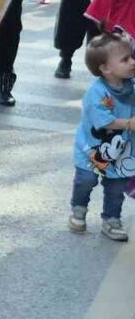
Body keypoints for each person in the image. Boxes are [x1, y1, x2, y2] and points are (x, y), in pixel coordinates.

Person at [69, 32, 135, 242]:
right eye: (125, 59)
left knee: (116, 187)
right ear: (106, 69)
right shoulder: (96, 92)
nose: (132, 62)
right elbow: (104, 121)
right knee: (86, 180)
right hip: (92, 149)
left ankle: (112, 219)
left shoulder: (129, 86)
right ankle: (78, 210)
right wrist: (128, 123)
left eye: (132, 56)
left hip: (120, 151)